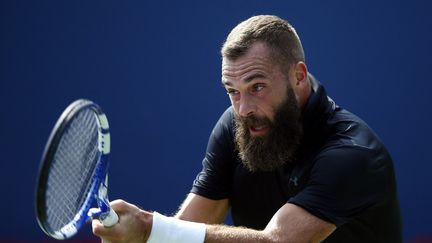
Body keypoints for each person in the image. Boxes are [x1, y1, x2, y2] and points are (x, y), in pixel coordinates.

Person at [92, 15, 402, 242]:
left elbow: (279, 242)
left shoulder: (353, 155)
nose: (243, 109)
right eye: (232, 90)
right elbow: (181, 233)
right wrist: (142, 239)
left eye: (257, 87)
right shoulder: (235, 127)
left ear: (298, 75)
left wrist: (148, 228)